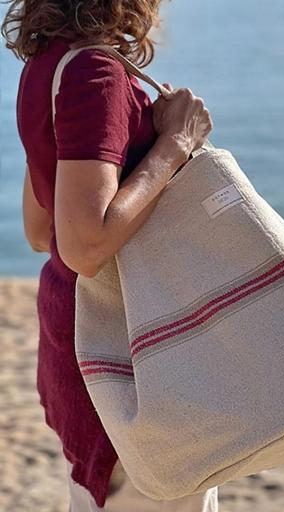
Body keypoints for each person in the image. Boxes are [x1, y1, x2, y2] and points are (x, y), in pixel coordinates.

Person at [2, 1, 216, 510]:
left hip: (79, 347)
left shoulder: (48, 66)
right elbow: (85, 245)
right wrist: (176, 143)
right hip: (128, 355)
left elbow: (40, 231)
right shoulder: (94, 73)